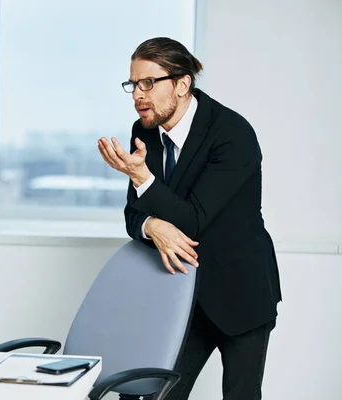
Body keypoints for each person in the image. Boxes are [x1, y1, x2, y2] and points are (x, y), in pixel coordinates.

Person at [97, 37, 282, 400]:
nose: (138, 95)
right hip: (180, 296)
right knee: (153, 395)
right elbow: (134, 215)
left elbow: (195, 219)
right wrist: (153, 226)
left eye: (149, 83)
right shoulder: (144, 132)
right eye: (133, 84)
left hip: (240, 292)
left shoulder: (232, 134)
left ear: (183, 84)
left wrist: (141, 178)